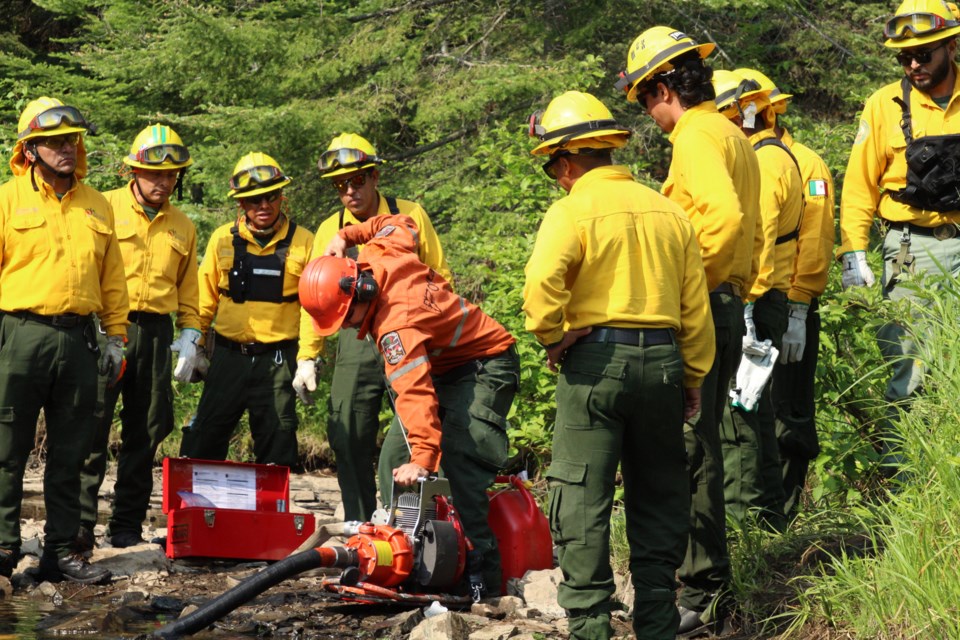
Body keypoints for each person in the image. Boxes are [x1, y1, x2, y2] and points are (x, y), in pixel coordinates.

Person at [523, 90, 715, 640]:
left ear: (566, 160)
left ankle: (590, 627)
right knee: (659, 491)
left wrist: (554, 336)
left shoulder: (572, 210)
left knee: (582, 495)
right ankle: (657, 622)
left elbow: (541, 287)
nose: (556, 178)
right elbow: (694, 308)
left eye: (553, 168)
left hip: (594, 366)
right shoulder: (669, 212)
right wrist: (694, 375)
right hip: (663, 363)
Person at [616, 26, 761, 636]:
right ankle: (705, 579)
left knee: (691, 448)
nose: (649, 114)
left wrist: (687, 288)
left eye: (647, 98)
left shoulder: (698, 135)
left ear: (667, 86)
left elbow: (723, 220)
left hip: (704, 304)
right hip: (728, 301)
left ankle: (699, 588)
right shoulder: (732, 132)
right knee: (704, 441)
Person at [301, 214, 517, 599]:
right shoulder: (380, 250)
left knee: (461, 459)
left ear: (360, 292)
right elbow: (400, 221)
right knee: (392, 461)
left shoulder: (395, 327)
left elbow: (414, 394)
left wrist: (423, 456)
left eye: (346, 318)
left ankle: (483, 577)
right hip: (446, 367)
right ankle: (408, 554)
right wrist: (344, 235)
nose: (349, 328)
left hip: (487, 362)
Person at [0, 97, 128, 583]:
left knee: (73, 450)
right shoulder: (7, 199)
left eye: (72, 140)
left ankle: (61, 551)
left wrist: (116, 336)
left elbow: (113, 277)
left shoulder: (98, 204)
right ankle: (3, 548)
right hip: (19, 334)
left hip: (80, 340)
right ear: (30, 149)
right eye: (54, 142)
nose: (67, 149)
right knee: (5, 447)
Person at [840, 0, 960, 476]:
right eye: (904, 57)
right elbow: (858, 186)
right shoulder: (884, 104)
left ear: (951, 45)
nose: (914, 65)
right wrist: (853, 252)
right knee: (909, 365)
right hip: (910, 249)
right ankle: (904, 482)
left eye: (925, 54)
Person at [313, 133, 451, 522]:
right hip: (355, 338)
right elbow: (314, 298)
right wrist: (310, 356)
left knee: (413, 428)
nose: (350, 191)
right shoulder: (329, 230)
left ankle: (405, 526)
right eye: (341, 185)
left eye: (358, 180)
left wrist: (438, 336)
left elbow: (440, 274)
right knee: (347, 431)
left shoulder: (410, 214)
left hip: (409, 329)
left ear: (374, 177)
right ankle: (358, 523)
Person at [78, 124, 201, 549]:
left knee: (146, 430)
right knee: (90, 425)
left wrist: (191, 332)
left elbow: (189, 286)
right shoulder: (103, 207)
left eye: (171, 176)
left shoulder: (183, 226)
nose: (162, 182)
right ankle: (78, 526)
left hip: (155, 332)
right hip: (106, 326)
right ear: (134, 171)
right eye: (154, 174)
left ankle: (126, 526)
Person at [736, 67, 836, 518]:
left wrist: (799, 307)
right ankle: (762, 511)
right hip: (759, 304)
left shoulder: (807, 164)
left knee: (788, 412)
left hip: (789, 305)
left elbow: (814, 241)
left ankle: (786, 510)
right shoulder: (747, 161)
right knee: (754, 404)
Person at [179, 152, 321, 467]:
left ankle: (270, 515)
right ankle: (204, 511)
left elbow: (313, 310)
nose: (264, 205)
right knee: (203, 437)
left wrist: (308, 358)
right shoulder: (222, 240)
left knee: (278, 440)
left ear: (281, 196)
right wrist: (194, 344)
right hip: (228, 358)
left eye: (270, 196)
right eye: (254, 200)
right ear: (241, 204)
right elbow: (204, 300)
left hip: (278, 360)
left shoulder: (305, 243)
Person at [712, 69, 803, 532]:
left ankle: (744, 523)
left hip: (758, 298)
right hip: (766, 298)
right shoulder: (770, 155)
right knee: (757, 411)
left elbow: (761, 240)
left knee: (739, 416)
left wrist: (746, 307)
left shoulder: (766, 163)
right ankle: (768, 519)